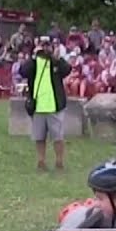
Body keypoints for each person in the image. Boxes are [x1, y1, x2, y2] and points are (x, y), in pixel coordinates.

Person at [19, 35, 73, 172]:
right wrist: (33, 56)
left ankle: (59, 161)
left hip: (54, 106)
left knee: (58, 137)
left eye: (47, 45)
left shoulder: (55, 62)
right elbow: (23, 71)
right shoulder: (34, 63)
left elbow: (67, 69)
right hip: (38, 106)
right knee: (39, 137)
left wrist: (56, 57)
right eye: (42, 45)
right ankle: (41, 161)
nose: (45, 48)